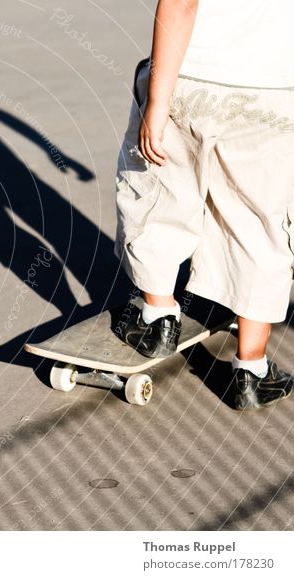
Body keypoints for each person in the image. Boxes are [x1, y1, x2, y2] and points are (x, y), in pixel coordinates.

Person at [114, 0, 294, 409]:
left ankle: (157, 316)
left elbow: (181, 4)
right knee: (259, 220)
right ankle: (252, 369)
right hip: (275, 89)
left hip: (194, 78)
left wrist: (157, 101)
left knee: (159, 191)